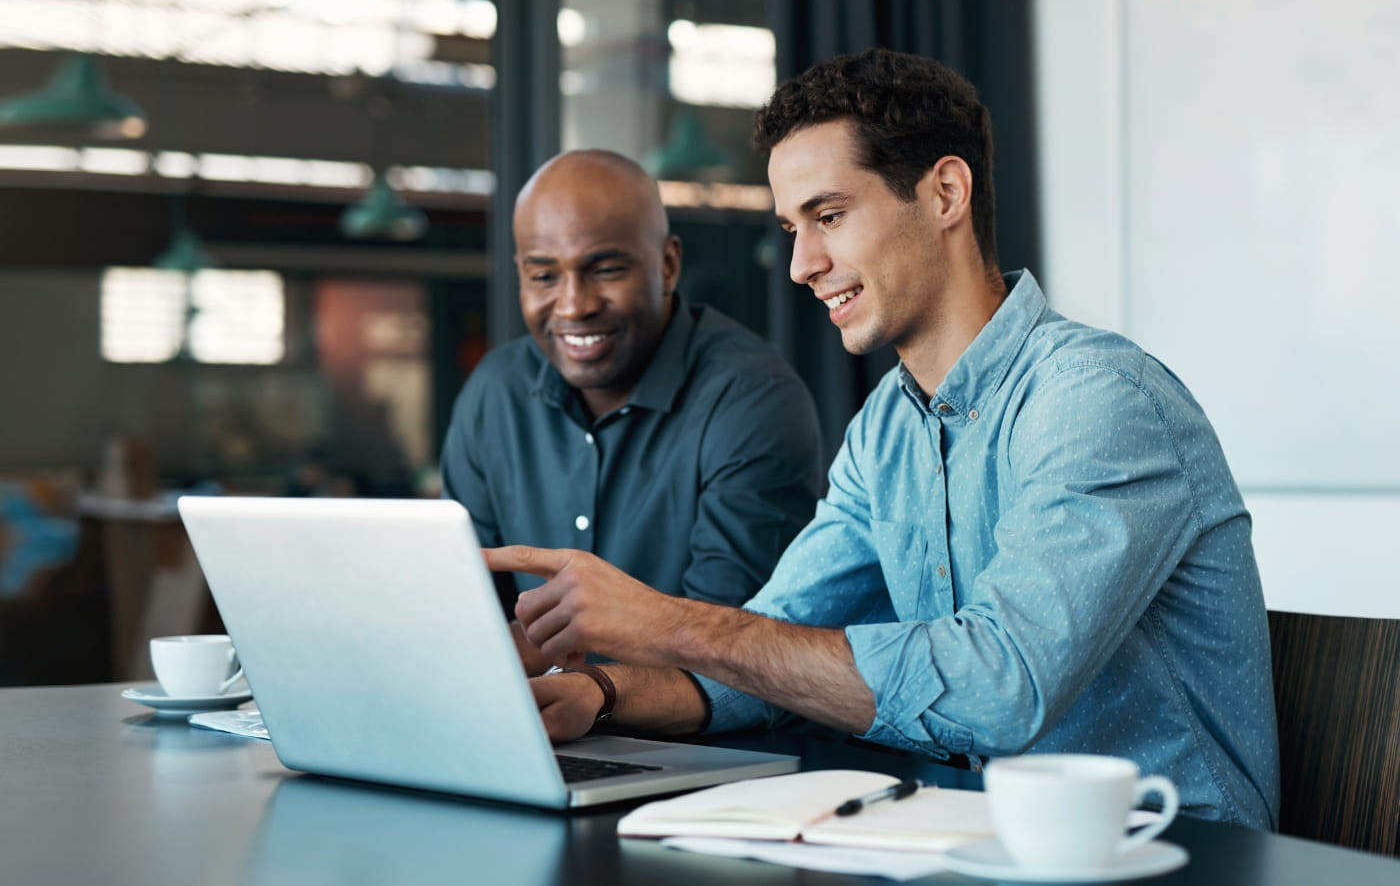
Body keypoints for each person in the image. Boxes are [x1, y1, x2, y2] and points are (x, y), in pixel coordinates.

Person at [488, 50, 1281, 828]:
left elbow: (999, 689)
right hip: (970, 840)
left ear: (944, 193)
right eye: (793, 227)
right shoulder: (886, 431)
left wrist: (666, 620)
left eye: (829, 216)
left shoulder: (1097, 400)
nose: (802, 264)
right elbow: (766, 657)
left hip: (1168, 851)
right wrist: (601, 693)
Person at [440, 149, 824, 675]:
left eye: (605, 269)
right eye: (544, 276)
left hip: (709, 750)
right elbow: (460, 611)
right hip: (537, 731)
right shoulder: (495, 391)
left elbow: (731, 647)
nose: (573, 305)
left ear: (667, 265)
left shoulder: (750, 397)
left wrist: (588, 696)